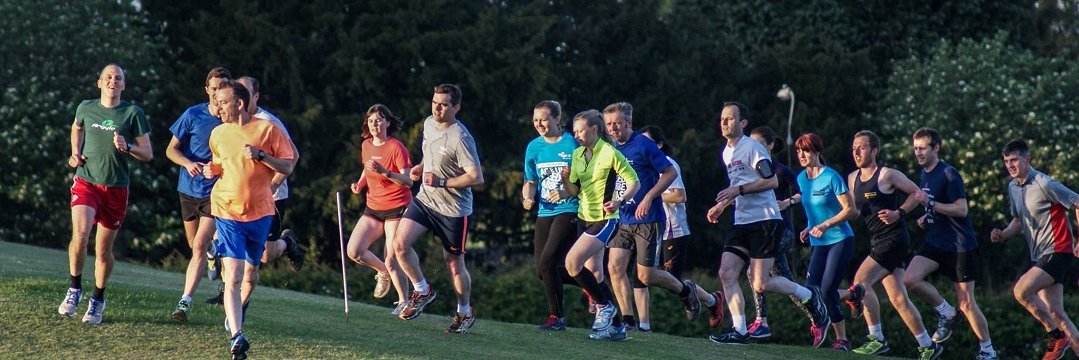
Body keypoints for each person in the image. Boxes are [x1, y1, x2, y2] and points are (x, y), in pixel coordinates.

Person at [707, 102, 829, 347]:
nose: (724, 123)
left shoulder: (752, 148)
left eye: (730, 119)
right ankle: (740, 330)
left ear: (743, 123)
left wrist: (738, 189)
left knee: (760, 283)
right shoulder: (726, 152)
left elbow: (772, 181)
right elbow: (738, 186)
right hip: (741, 222)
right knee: (726, 272)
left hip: (764, 221)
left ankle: (809, 296)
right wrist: (722, 204)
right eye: (722, 118)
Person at [602, 102, 718, 333]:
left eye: (617, 123)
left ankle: (686, 291)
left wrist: (648, 197)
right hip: (622, 217)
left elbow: (670, 172)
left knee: (646, 275)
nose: (613, 128)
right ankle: (628, 320)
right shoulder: (610, 148)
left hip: (648, 219)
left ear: (628, 123)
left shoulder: (643, 145)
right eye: (609, 124)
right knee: (615, 268)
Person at [203, 81, 295, 359]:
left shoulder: (268, 129)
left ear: (239, 103)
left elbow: (288, 164)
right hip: (227, 210)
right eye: (216, 101)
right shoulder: (218, 133)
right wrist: (212, 169)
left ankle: (236, 315)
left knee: (252, 274)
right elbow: (222, 163)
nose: (217, 107)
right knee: (233, 275)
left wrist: (262, 155)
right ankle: (236, 337)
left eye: (222, 101)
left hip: (261, 212)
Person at [58, 63, 153, 325]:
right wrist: (75, 152)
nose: (113, 81)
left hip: (116, 188)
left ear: (124, 85)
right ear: (99, 82)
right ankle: (74, 289)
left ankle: (98, 299)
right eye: (108, 77)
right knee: (80, 234)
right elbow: (76, 127)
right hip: (86, 181)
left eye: (118, 78)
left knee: (102, 250)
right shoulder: (86, 107)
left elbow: (148, 153)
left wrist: (128, 145)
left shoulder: (133, 113)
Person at [392, 84, 484, 334]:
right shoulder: (428, 123)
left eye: (444, 104)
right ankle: (422, 290)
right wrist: (422, 167)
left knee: (453, 263)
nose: (437, 108)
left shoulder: (461, 138)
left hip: (453, 210)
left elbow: (476, 177)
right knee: (399, 244)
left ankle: (464, 312)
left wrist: (443, 181)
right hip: (426, 200)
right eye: (435, 102)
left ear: (456, 107)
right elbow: (430, 153)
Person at [845, 130, 943, 359]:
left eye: (861, 147)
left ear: (874, 150)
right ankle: (928, 345)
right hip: (876, 239)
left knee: (860, 283)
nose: (856, 152)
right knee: (899, 298)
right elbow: (855, 212)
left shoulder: (887, 175)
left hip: (894, 239)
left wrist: (899, 213)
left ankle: (877, 339)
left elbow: (917, 194)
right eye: (853, 148)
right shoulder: (852, 178)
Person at [903, 127, 997, 359]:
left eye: (923, 148)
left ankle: (988, 352)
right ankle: (946, 312)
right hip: (936, 241)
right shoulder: (924, 174)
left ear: (936, 147)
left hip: (960, 246)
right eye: (915, 148)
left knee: (966, 303)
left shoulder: (949, 173)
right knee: (909, 279)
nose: (918, 153)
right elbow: (935, 204)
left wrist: (931, 205)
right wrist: (927, 217)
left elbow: (961, 209)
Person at [550, 109, 638, 341]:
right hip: (583, 217)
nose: (576, 135)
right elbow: (574, 191)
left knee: (571, 262)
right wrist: (565, 180)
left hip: (604, 219)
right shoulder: (578, 154)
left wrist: (618, 200)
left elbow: (634, 182)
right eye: (575, 131)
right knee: (594, 273)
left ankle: (605, 306)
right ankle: (617, 327)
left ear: (594, 129)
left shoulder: (610, 153)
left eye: (580, 130)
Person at [990, 139, 1079, 359]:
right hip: (1040, 255)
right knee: (1057, 313)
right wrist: (1003, 234)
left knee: (1021, 291)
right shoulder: (1013, 187)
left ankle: (1056, 336)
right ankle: (1063, 337)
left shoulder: (1044, 183)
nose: (1010, 165)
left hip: (1058, 250)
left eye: (1014, 160)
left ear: (1027, 159)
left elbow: (1077, 202)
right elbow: (1018, 221)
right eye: (1006, 161)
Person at [166, 67, 230, 322]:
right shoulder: (193, 115)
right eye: (214, 88)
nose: (217, 93)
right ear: (207, 90)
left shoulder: (232, 121)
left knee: (200, 244)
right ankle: (213, 253)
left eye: (223, 86)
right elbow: (170, 150)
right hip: (188, 189)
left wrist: (218, 168)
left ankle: (184, 302)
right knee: (195, 246)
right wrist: (187, 163)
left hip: (215, 192)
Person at [790, 133, 859, 351]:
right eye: (799, 151)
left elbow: (851, 210)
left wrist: (826, 225)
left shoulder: (832, 177)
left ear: (817, 152)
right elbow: (813, 207)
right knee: (810, 291)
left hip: (840, 239)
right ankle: (851, 295)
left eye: (806, 150)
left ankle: (843, 340)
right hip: (818, 241)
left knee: (827, 290)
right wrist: (808, 227)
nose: (802, 155)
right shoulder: (801, 178)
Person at [744, 126, 812, 339]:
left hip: (782, 232)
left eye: (760, 144)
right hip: (764, 234)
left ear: (771, 146)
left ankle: (760, 322)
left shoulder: (781, 170)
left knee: (752, 273)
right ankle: (817, 313)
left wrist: (788, 201)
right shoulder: (749, 170)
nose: (755, 148)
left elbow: (804, 192)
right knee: (789, 284)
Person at [522, 100, 584, 331]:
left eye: (544, 119)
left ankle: (556, 318)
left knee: (548, 262)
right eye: (536, 120)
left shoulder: (573, 144)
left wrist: (565, 189)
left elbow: (585, 179)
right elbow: (529, 181)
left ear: (558, 119)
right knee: (542, 270)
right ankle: (592, 286)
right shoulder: (533, 147)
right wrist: (527, 197)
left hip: (570, 209)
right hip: (544, 211)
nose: (539, 124)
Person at [348, 104, 413, 315]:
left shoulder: (396, 148)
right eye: (371, 121)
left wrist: (386, 172)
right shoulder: (366, 145)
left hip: (397, 207)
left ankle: (404, 301)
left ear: (387, 122)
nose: (375, 124)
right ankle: (382, 272)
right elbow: (367, 169)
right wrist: (359, 184)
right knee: (354, 251)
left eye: (378, 120)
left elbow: (408, 181)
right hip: (373, 207)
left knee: (392, 258)